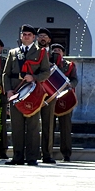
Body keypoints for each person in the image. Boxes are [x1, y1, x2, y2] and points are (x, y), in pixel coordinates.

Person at [3, 24, 51, 165]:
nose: (26, 37)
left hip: (32, 92)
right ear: (21, 36)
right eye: (24, 34)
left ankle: (31, 157)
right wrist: (8, 90)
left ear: (34, 37)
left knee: (33, 126)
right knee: (16, 125)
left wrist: (34, 78)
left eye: (29, 35)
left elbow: (46, 72)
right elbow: (6, 74)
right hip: (15, 91)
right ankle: (17, 156)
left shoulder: (40, 52)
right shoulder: (13, 52)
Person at [50, 43, 78, 161]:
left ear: (63, 53)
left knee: (66, 127)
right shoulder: (48, 64)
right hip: (50, 98)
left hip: (65, 98)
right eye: (54, 50)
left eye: (59, 50)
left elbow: (75, 79)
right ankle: (47, 152)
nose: (56, 52)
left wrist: (70, 85)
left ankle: (66, 153)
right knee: (49, 127)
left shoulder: (69, 65)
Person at [37, 28, 58, 164]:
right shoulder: (33, 52)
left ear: (49, 40)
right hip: (35, 91)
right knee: (32, 124)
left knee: (48, 124)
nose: (42, 38)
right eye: (40, 36)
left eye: (45, 36)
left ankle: (47, 154)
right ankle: (32, 152)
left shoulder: (55, 55)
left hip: (50, 92)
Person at [0, 38, 7, 160]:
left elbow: (7, 75)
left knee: (2, 122)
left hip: (2, 94)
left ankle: (2, 150)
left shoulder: (5, 60)